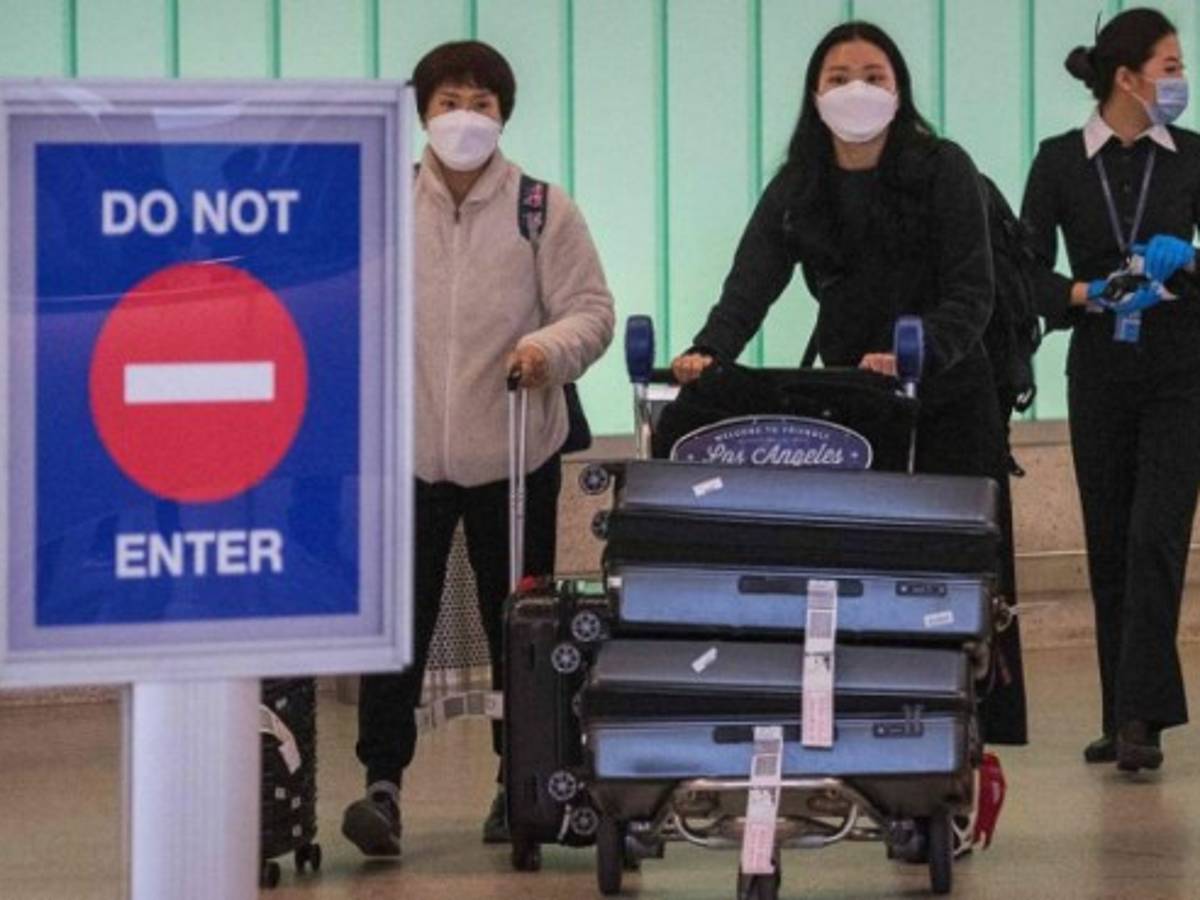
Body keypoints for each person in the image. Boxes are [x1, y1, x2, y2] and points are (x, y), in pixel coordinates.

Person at [671, 21, 1028, 745]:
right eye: (839, 78)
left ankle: (969, 729)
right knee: (861, 575)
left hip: (949, 398)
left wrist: (919, 351)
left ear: (899, 90)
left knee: (957, 572)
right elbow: (750, 285)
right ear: (814, 94)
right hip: (853, 403)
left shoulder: (943, 168)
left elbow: (973, 290)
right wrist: (709, 352)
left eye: (873, 76)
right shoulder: (799, 184)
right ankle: (863, 720)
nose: (856, 90)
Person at [341, 40, 614, 857]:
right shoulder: (382, 201)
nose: (465, 118)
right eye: (449, 102)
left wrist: (546, 350)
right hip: (410, 455)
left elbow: (591, 310)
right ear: (423, 113)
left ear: (504, 116)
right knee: (397, 630)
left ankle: (519, 781)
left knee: (520, 634)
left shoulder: (541, 209)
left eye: (482, 104)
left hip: (515, 453)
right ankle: (382, 786)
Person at [1022, 7, 1200, 774]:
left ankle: (1140, 720)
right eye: (1170, 66)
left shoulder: (1192, 157)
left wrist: (1188, 258)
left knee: (1156, 535)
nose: (1181, 80)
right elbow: (1024, 270)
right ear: (1127, 78)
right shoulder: (1060, 161)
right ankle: (1120, 712)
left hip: (1181, 367)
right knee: (1111, 540)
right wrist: (1083, 292)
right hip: (1099, 366)